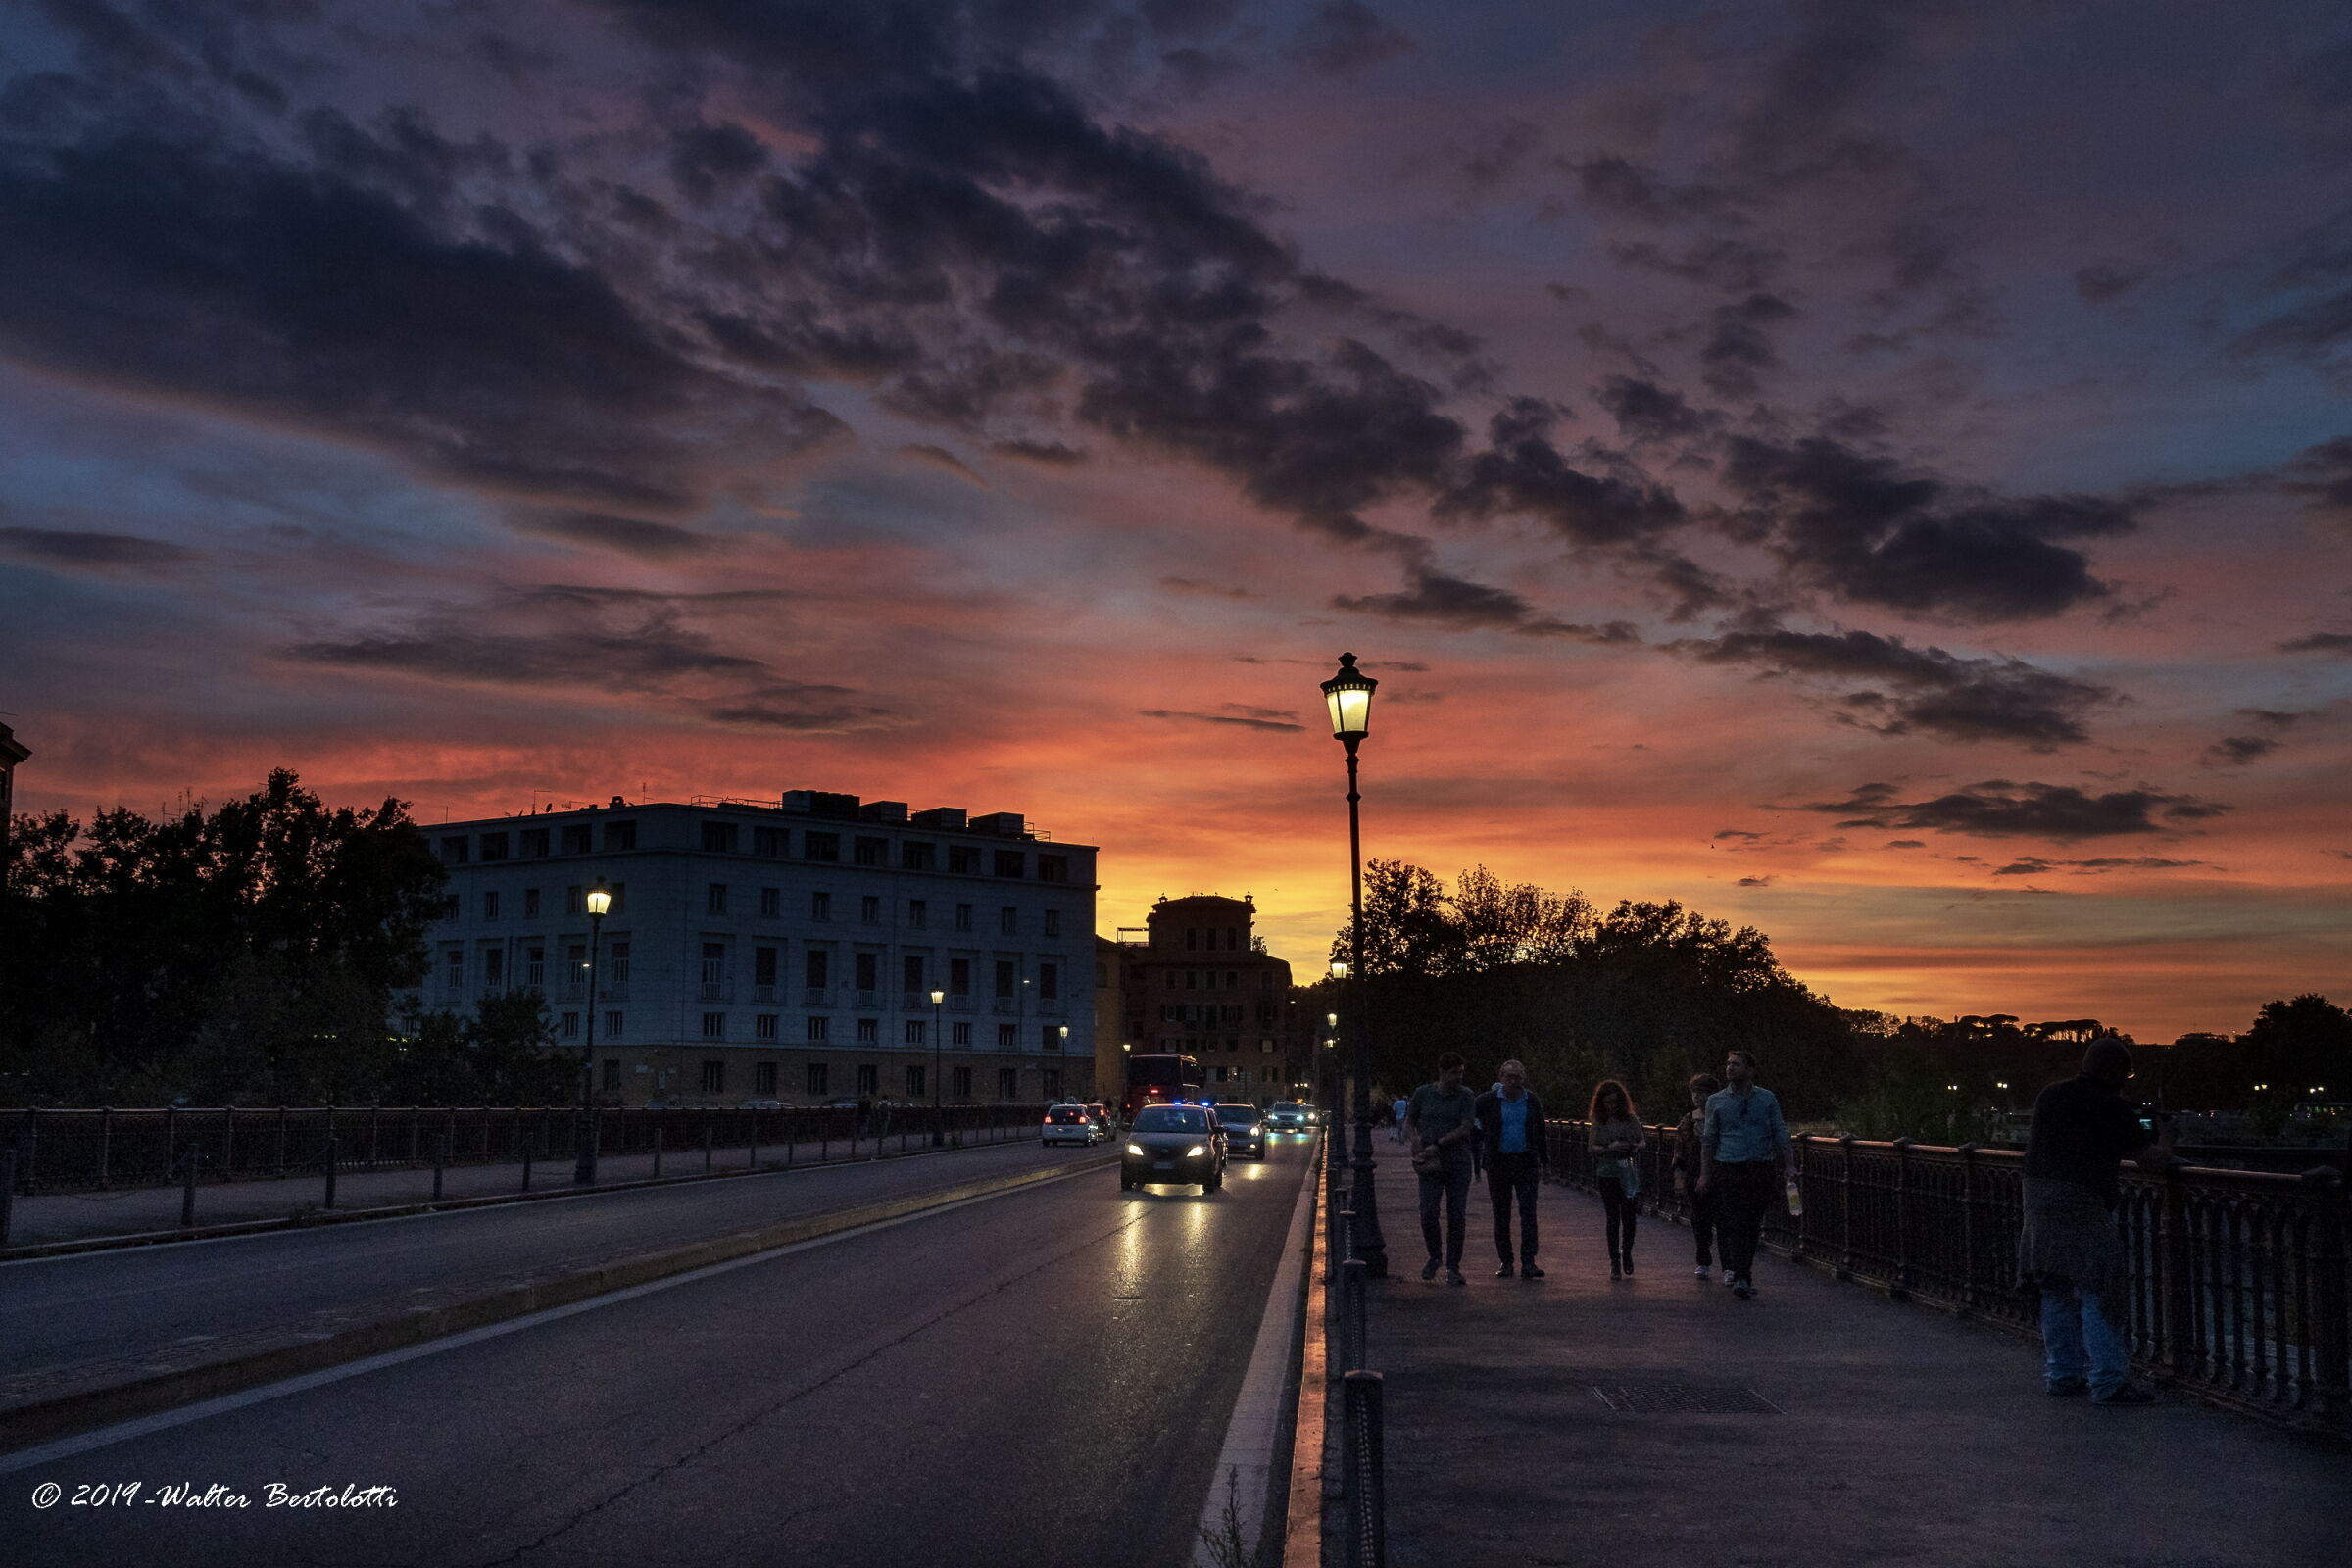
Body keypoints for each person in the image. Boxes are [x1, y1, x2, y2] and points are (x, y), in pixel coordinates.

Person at [2019, 1039, 2176, 1404]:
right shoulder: (2112, 1107)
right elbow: (2152, 1160)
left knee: (2054, 1285)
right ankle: (2108, 1381)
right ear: (2116, 1073)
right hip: (2081, 1200)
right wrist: (2167, 1137)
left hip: (2036, 1198)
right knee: (2099, 1287)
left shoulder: (2051, 1095)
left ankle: (2062, 1374)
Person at [1695, 1049, 1789, 1300]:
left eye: (1736, 1064)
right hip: (1729, 1166)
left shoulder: (1767, 1098)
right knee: (1735, 1221)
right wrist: (1705, 1174)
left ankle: (1742, 1273)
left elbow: (1779, 1132)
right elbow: (1709, 1139)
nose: (1730, 1068)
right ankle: (1742, 1276)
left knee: (1752, 1222)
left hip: (1760, 1167)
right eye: (1728, 1064)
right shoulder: (1716, 1100)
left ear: (1750, 1069)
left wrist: (1789, 1165)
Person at [1406, 1052, 1480, 1286]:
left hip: (1457, 1161)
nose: (1458, 1077)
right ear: (1441, 1072)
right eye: (1454, 1073)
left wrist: (1438, 1145)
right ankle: (1434, 1256)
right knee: (1428, 1211)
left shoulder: (1466, 1095)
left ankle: (1453, 1266)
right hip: (1429, 1163)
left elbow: (1466, 1127)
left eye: (1461, 1073)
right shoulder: (1423, 1094)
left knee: (1456, 1215)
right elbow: (1411, 1122)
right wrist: (1415, 1141)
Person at [1474, 1060, 1549, 1278]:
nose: (1513, 1081)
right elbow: (1470, 1117)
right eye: (1509, 1077)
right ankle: (1506, 1261)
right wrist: (1481, 1134)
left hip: (1526, 1162)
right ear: (1501, 1077)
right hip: (1499, 1164)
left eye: (1517, 1077)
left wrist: (1545, 1163)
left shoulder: (1531, 1100)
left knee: (1528, 1212)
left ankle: (1528, 1261)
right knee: (1501, 1214)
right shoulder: (1488, 1100)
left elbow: (1540, 1132)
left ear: (1523, 1079)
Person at [1588, 1080, 1645, 1278]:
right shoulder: (1599, 1121)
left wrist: (1636, 1147)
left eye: (1615, 1103)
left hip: (1627, 1171)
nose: (1611, 1107)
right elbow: (1591, 1147)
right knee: (1613, 1217)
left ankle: (1627, 1253)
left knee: (1629, 1217)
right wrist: (1609, 1148)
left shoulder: (1630, 1119)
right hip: (1607, 1172)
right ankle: (1614, 1261)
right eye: (1607, 1103)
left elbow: (1642, 1140)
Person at [1670, 1074, 1723, 1280]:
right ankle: (1703, 1259)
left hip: (1719, 1176)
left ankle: (1728, 1265)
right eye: (1694, 1092)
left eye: (1703, 1092)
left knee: (1723, 1220)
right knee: (1699, 1220)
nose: (1697, 1096)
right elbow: (1680, 1152)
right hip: (1694, 1176)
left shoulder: (1721, 1118)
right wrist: (1679, 1178)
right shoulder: (1688, 1121)